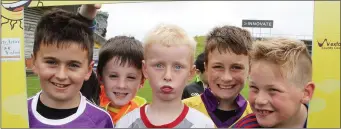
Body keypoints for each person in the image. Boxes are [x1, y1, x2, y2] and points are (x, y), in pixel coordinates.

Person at [27, 6, 113, 128]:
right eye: (51, 62)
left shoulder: (101, 121)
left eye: (73, 65)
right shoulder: (15, 114)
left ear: (88, 70)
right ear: (34, 62)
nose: (61, 75)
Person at [115, 24, 215, 128]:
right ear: (145, 69)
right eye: (159, 65)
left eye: (177, 67)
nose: (167, 76)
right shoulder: (125, 124)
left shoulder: (203, 125)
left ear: (191, 73)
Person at [232, 38, 314, 128]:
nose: (259, 100)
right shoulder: (244, 126)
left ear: (306, 93)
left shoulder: (324, 120)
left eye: (273, 90)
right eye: (254, 88)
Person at [182, 25, 253, 128]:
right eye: (218, 67)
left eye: (236, 67)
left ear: (249, 70)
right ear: (206, 67)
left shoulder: (257, 117)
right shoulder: (182, 112)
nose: (226, 77)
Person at [96, 36, 147, 124]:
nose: (121, 85)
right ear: (100, 77)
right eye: (113, 76)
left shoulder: (144, 118)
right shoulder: (88, 107)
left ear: (142, 81)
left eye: (131, 77)